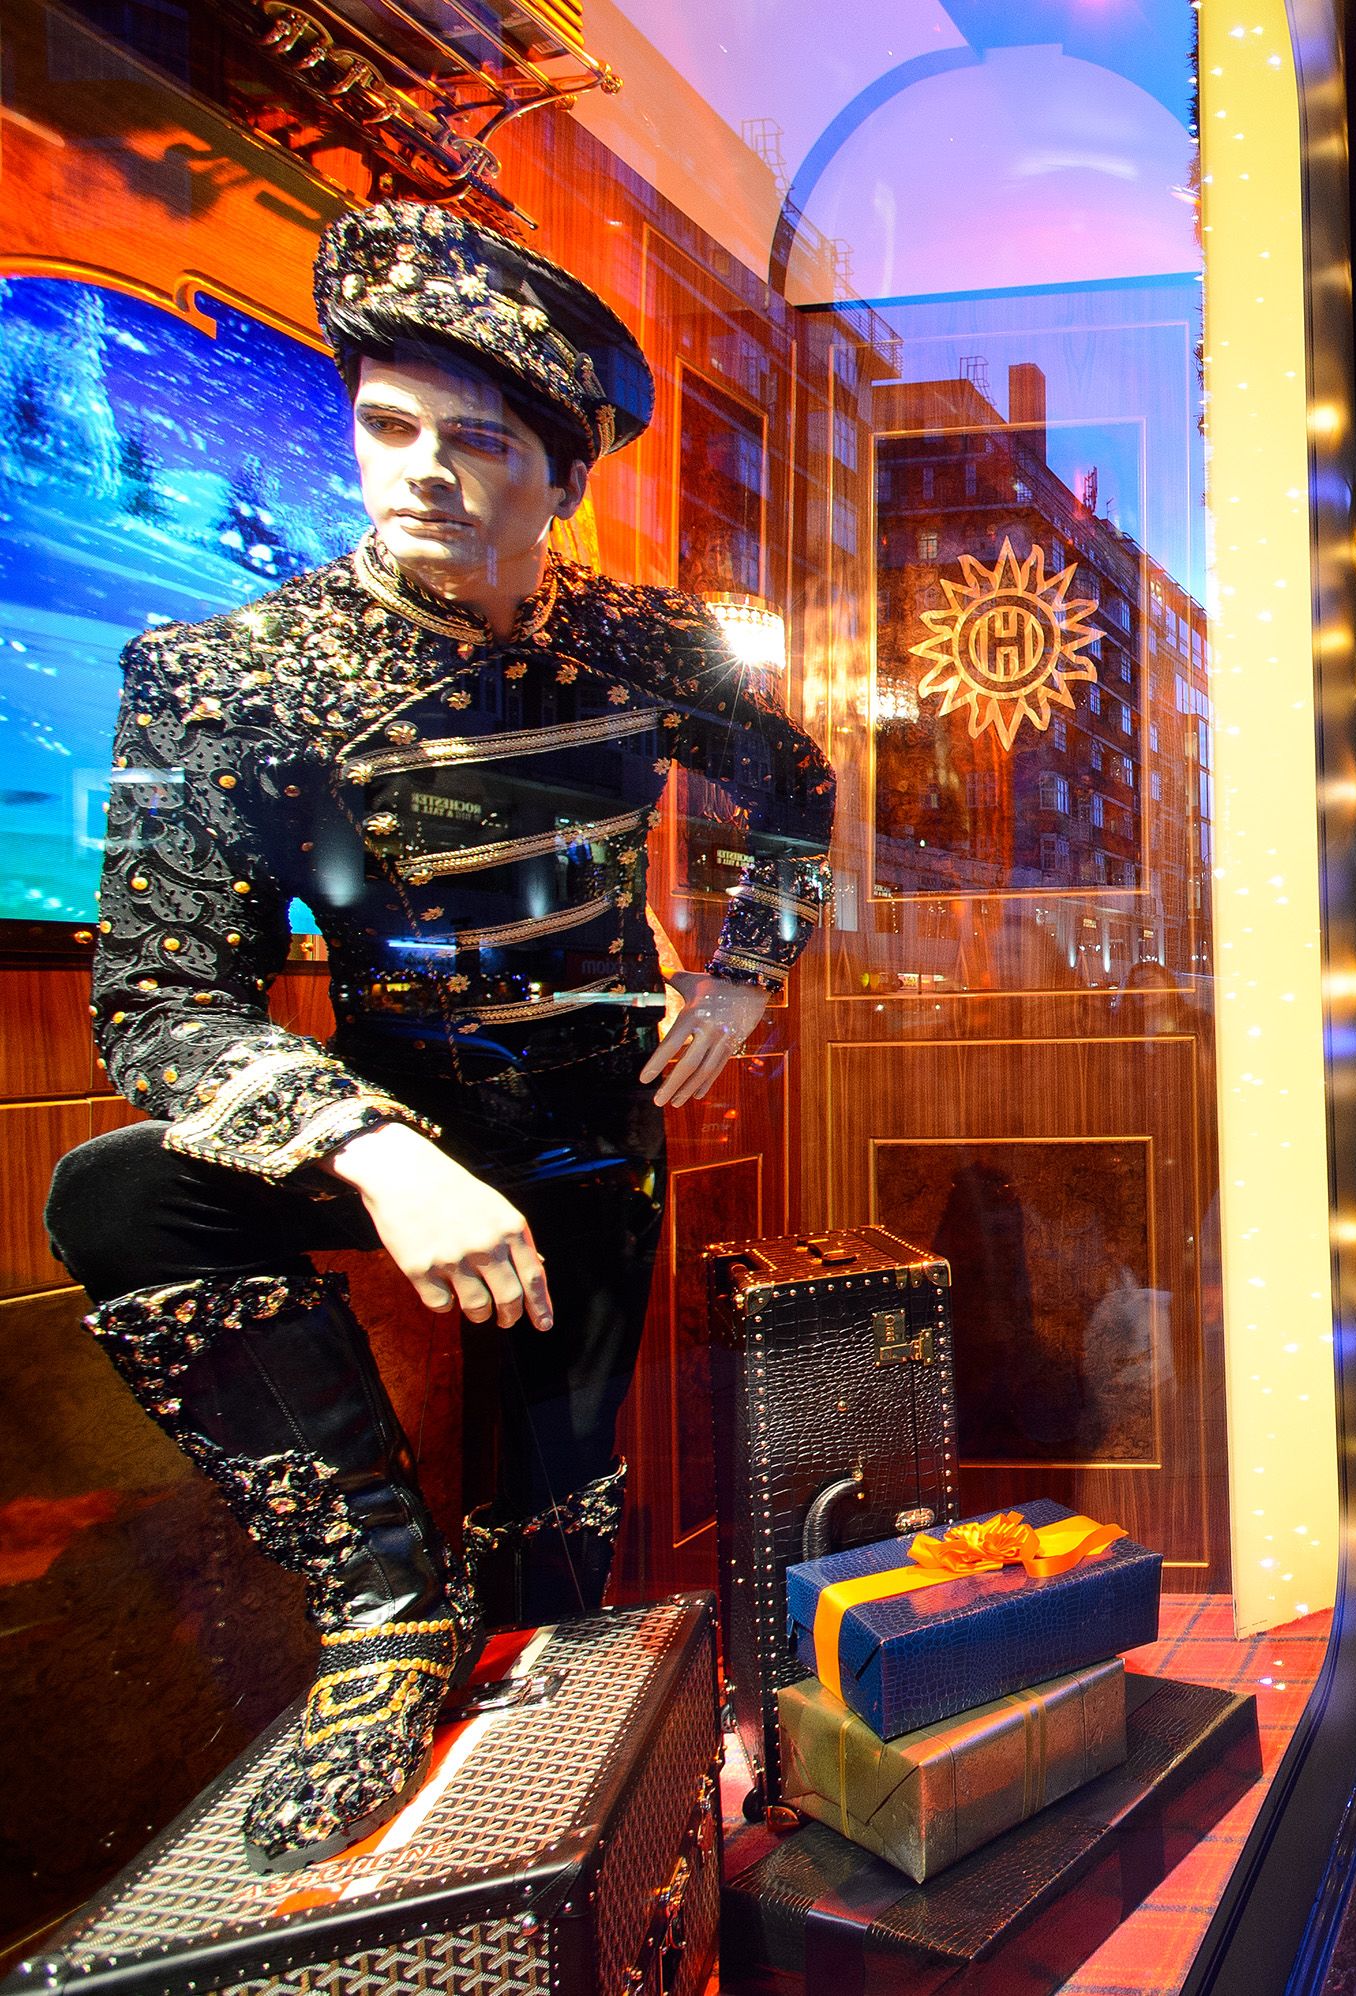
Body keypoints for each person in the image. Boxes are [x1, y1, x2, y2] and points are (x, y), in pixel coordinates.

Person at [42, 204, 835, 1870]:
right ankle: (381, 1611)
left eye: (477, 441)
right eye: (387, 426)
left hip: (591, 1129)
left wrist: (748, 967)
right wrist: (376, 1150)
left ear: (560, 474)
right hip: (388, 1108)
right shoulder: (226, 678)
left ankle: (569, 1848)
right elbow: (161, 995)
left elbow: (799, 789)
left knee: (560, 1526)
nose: (420, 471)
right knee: (117, 1201)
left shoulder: (647, 646)